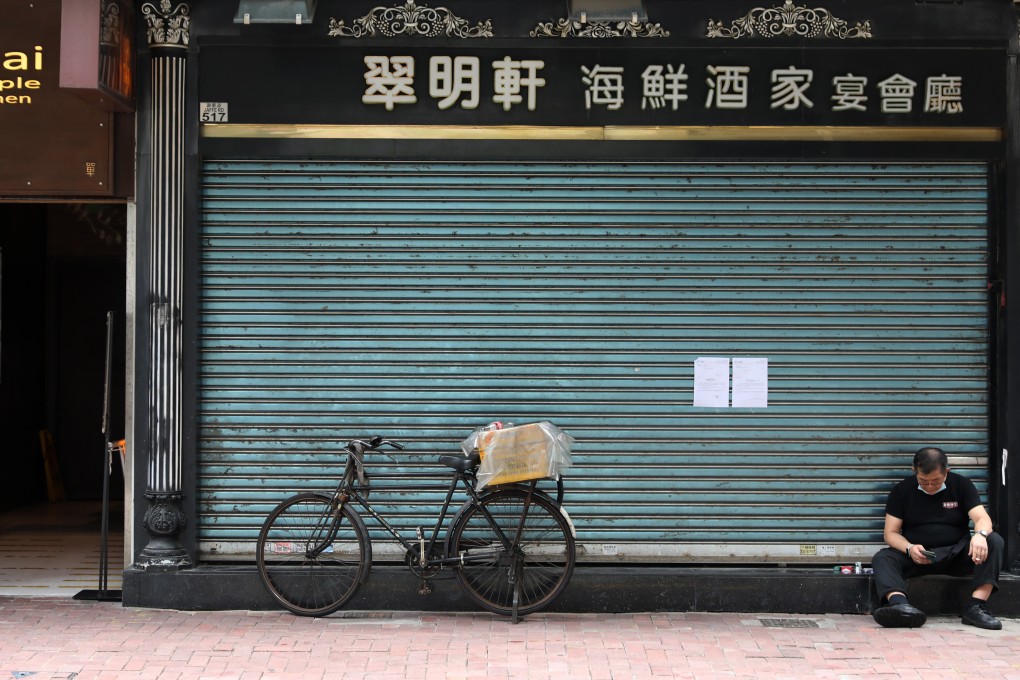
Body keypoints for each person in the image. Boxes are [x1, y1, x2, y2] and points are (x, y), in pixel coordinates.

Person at [870, 447, 1003, 630]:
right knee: (883, 558)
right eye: (923, 481)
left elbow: (982, 518)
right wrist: (909, 548)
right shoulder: (902, 490)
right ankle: (900, 606)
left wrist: (980, 535)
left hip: (957, 554)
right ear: (914, 471)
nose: (930, 486)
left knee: (994, 541)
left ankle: (976, 607)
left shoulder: (962, 485)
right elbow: (890, 533)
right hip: (919, 556)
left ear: (946, 472)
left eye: (936, 481)